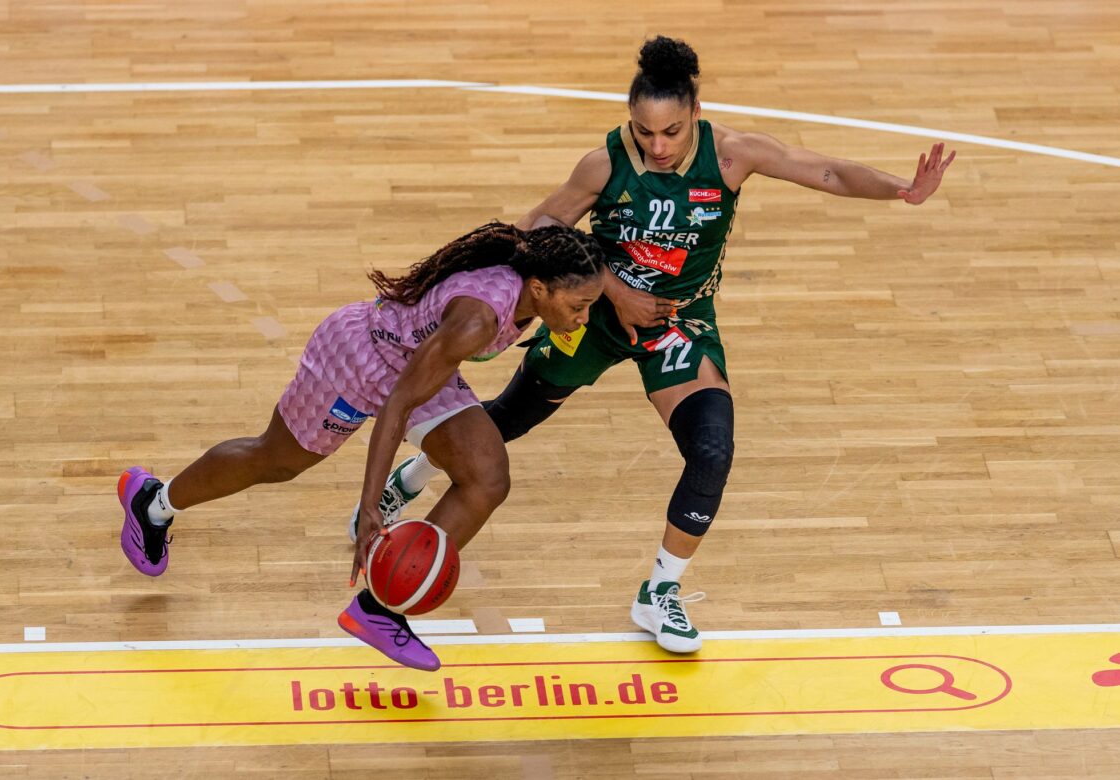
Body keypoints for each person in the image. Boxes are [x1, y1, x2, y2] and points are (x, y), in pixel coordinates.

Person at [355, 36, 956, 654]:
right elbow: (539, 223)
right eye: (644, 132)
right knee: (509, 417)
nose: (658, 146)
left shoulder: (732, 156)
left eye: (671, 131)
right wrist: (613, 290)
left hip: (679, 322)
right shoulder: (604, 164)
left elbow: (826, 170)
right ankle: (417, 473)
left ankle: (660, 591)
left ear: (696, 112)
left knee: (713, 447)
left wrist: (902, 191)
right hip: (591, 316)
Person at [117, 221, 606, 671]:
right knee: (277, 460)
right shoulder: (478, 319)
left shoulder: (536, 270)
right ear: (539, 288)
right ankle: (154, 502)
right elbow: (396, 406)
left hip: (416, 366)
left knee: (487, 476)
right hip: (359, 358)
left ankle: (379, 608)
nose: (582, 319)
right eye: (578, 307)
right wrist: (370, 506)